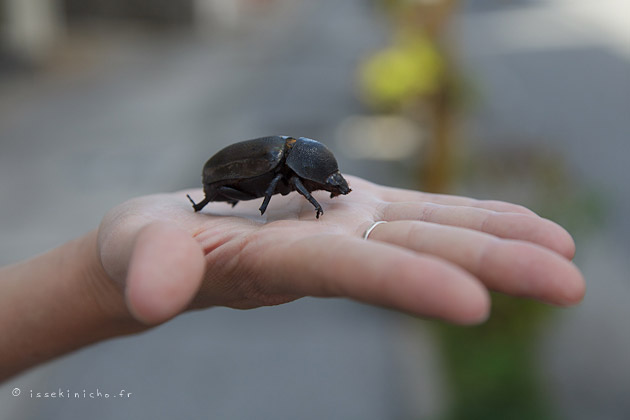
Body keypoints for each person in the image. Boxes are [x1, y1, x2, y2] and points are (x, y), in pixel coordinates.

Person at [0, 175, 584, 381]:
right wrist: (96, 283)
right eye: (322, 182)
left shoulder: (297, 168)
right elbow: (280, 184)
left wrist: (94, 283)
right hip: (227, 177)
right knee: (231, 194)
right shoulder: (285, 172)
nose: (327, 188)